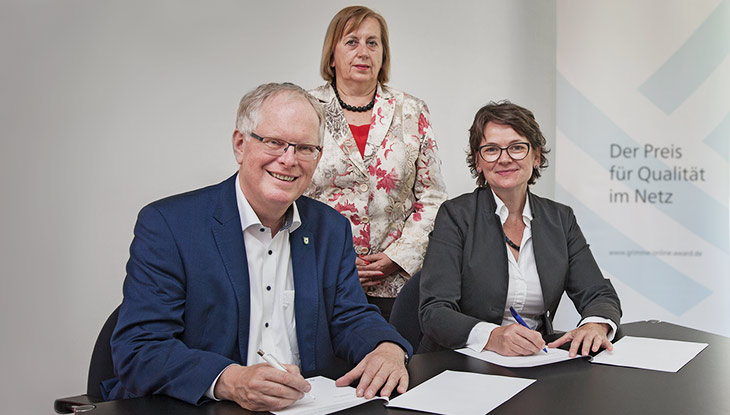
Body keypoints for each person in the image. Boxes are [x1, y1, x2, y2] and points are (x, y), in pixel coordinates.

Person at [104, 83, 411, 412]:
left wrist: (387, 346)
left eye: (305, 148)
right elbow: (140, 348)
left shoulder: (329, 229)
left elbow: (350, 317)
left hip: (303, 406)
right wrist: (229, 380)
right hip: (203, 406)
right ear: (240, 144)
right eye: (275, 143)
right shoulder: (169, 226)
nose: (289, 159)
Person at [419, 101, 621, 358]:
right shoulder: (456, 216)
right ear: (478, 162)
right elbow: (434, 311)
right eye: (491, 150)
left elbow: (598, 292)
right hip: (462, 361)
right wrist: (491, 336)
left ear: (536, 157)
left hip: (533, 361)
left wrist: (595, 324)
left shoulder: (560, 219)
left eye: (517, 147)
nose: (504, 159)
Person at [306, 6, 447, 320]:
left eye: (373, 43)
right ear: (331, 55)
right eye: (352, 42)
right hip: (320, 276)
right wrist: (334, 260)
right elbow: (289, 191)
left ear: (383, 55)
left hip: (395, 285)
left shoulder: (412, 110)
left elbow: (433, 196)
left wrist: (397, 257)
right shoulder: (305, 108)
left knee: (395, 365)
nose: (363, 52)